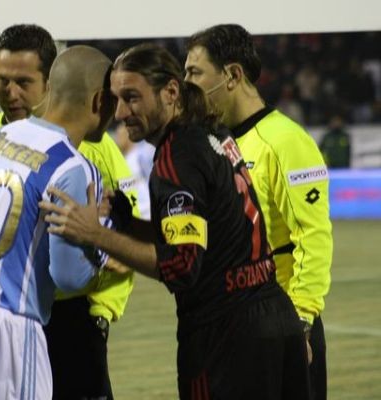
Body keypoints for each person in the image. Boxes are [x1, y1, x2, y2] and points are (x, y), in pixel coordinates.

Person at [39, 43, 310, 400]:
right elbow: (198, 235)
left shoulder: (175, 158)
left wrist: (95, 234)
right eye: (116, 99)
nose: (120, 112)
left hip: (226, 338)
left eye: (132, 98)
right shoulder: (212, 132)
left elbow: (182, 266)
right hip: (276, 320)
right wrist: (127, 222)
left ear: (170, 91)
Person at [0, 24, 138, 399]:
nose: (11, 92)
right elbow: (70, 275)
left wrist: (102, 311)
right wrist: (104, 253)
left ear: (50, 84)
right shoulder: (72, 164)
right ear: (99, 101)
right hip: (11, 322)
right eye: (3, 80)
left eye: (23, 82)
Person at [184, 24, 333, 400]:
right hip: (234, 323)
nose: (186, 86)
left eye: (195, 73)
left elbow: (313, 236)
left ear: (232, 75)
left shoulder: (286, 140)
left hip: (284, 324)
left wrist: (301, 319)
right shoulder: (218, 143)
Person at [114, 121, 154, 219]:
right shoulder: (122, 160)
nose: (117, 139)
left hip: (147, 211)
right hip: (134, 213)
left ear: (128, 135)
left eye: (120, 135)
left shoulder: (141, 155)